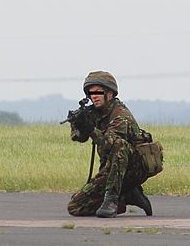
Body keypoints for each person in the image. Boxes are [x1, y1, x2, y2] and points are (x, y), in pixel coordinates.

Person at [66, 71, 154, 218]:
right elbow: (78, 138)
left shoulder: (121, 115)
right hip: (112, 171)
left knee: (119, 145)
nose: (94, 96)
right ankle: (128, 195)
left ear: (110, 93)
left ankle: (112, 199)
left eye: (99, 92)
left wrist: (91, 129)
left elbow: (112, 145)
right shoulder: (94, 113)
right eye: (91, 93)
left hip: (135, 166)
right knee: (75, 207)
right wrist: (79, 125)